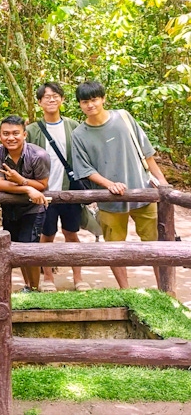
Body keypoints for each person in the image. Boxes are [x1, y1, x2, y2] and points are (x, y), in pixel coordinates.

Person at [72, 81, 168, 289]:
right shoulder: (79, 134)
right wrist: (109, 184)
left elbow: (147, 152)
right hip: (109, 200)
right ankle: (126, 290)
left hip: (142, 191)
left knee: (155, 245)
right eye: (85, 101)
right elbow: (85, 169)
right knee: (115, 248)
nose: (90, 105)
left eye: (94, 99)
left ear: (103, 99)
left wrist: (162, 181)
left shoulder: (123, 117)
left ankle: (165, 290)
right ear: (80, 104)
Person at [26, 82, 91, 292]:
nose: (51, 100)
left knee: (71, 233)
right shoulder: (32, 130)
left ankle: (79, 278)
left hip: (70, 191)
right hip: (45, 193)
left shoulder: (74, 127)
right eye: (46, 97)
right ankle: (48, 279)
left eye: (55, 96)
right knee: (47, 236)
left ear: (62, 100)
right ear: (39, 102)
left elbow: (85, 157)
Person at [0, 115, 50, 292]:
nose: (11, 137)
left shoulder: (39, 155)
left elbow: (42, 185)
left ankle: (34, 288)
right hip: (9, 209)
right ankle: (27, 286)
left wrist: (21, 180)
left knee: (28, 248)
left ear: (24, 134)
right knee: (15, 249)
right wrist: (27, 188)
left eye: (16, 133)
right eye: (6, 134)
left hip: (33, 208)